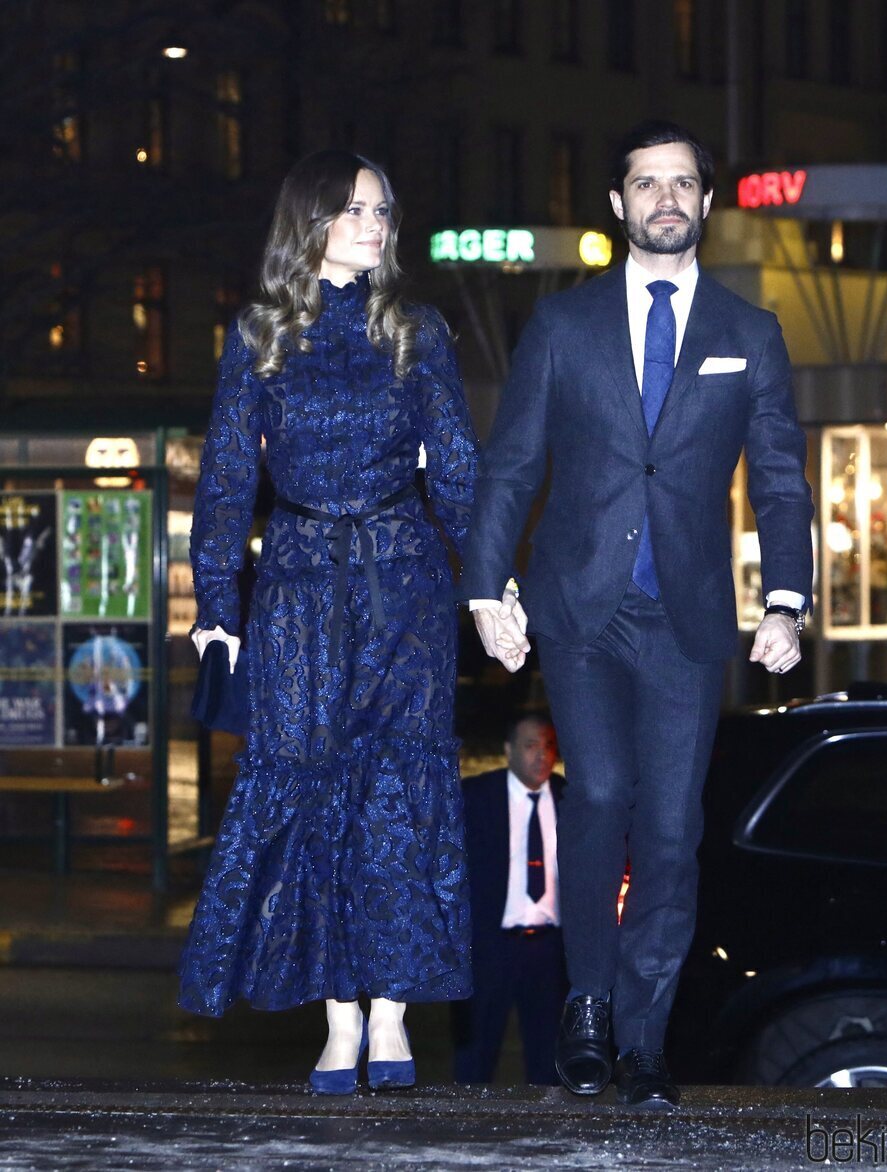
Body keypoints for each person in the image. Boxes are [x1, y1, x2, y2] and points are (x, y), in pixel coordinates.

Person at [460, 119, 813, 1110]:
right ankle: (585, 1006)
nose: (663, 197)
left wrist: (784, 599)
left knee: (668, 828)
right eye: (644, 183)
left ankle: (645, 1037)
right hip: (580, 608)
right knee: (602, 793)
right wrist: (487, 587)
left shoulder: (748, 334)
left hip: (688, 622)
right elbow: (511, 462)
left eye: (681, 183)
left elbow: (780, 482)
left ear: (705, 203)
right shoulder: (562, 327)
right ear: (615, 205)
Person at [177, 149, 479, 1095]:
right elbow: (227, 481)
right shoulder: (261, 334)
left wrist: (490, 583)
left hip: (404, 588)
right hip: (301, 588)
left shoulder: (417, 330)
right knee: (311, 795)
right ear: (308, 220)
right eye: (354, 210)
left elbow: (461, 468)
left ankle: (391, 1014)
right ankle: (338, 1018)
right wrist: (215, 608)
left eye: (384, 211)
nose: (374, 224)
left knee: (397, 793)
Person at [453, 713, 567, 1085]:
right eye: (530, 745)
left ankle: (551, 1131)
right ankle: (467, 1126)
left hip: (550, 949)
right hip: (491, 946)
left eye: (548, 745)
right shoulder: (478, 796)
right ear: (509, 751)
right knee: (476, 1053)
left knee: (550, 1055)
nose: (541, 755)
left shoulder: (569, 797)